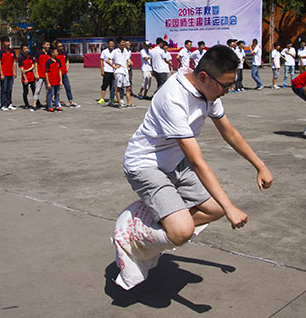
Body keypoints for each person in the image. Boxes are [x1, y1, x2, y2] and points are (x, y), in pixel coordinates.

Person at [116, 45, 273, 287]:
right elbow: (197, 161)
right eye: (226, 86)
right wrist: (231, 207)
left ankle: (164, 216)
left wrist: (259, 165)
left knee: (215, 209)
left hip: (174, 162)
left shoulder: (207, 92)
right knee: (181, 233)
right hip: (146, 165)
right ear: (203, 77)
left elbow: (229, 132)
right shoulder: (173, 98)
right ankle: (134, 228)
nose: (227, 92)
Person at [55, 41, 80, 108]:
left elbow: (67, 60)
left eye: (61, 46)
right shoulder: (54, 54)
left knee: (68, 87)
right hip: (57, 74)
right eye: (59, 46)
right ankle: (57, 101)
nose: (60, 48)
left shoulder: (64, 53)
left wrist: (67, 67)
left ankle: (71, 101)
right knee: (58, 88)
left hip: (64, 73)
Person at [112, 37, 132, 108]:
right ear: (118, 43)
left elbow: (127, 61)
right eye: (122, 42)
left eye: (124, 42)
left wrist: (127, 69)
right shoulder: (115, 51)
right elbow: (108, 60)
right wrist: (114, 67)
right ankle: (119, 103)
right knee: (119, 88)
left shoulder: (126, 51)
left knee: (128, 87)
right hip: (119, 71)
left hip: (125, 71)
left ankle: (129, 103)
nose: (123, 43)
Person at [32, 41, 51, 110]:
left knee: (48, 90)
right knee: (37, 90)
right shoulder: (39, 53)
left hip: (47, 75)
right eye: (47, 44)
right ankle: (34, 104)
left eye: (49, 45)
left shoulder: (49, 54)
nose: (48, 46)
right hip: (40, 74)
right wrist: (36, 73)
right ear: (43, 45)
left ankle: (48, 104)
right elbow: (36, 63)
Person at [98, 39, 116, 105]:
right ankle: (102, 98)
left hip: (113, 71)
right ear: (107, 44)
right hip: (107, 70)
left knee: (113, 86)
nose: (112, 45)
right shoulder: (104, 52)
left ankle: (112, 98)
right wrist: (102, 70)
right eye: (110, 44)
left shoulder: (115, 51)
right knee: (105, 85)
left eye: (113, 44)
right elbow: (101, 61)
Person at [18, 45, 36, 109]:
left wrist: (27, 70)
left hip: (32, 77)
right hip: (25, 78)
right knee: (26, 91)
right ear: (22, 50)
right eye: (24, 49)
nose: (26, 50)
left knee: (34, 90)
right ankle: (26, 104)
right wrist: (25, 79)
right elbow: (22, 70)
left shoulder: (30, 57)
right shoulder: (21, 59)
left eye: (27, 48)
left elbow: (33, 66)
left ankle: (36, 103)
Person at [45, 47, 62, 112]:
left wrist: (60, 80)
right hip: (51, 81)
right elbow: (46, 73)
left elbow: (60, 71)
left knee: (57, 94)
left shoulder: (58, 61)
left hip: (57, 80)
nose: (57, 53)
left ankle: (57, 106)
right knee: (50, 94)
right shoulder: (48, 62)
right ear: (52, 53)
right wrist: (48, 82)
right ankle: (50, 106)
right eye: (56, 52)